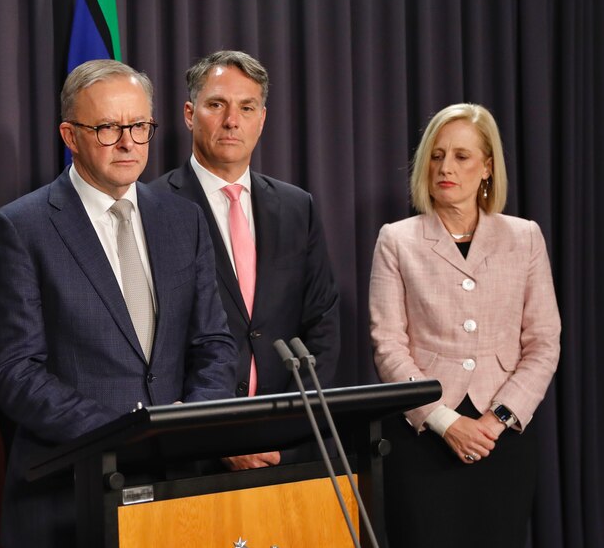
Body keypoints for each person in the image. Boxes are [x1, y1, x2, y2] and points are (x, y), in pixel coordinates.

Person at [0, 59, 238, 548]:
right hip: (70, 492)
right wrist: (127, 434)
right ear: (69, 134)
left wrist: (187, 424)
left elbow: (214, 343)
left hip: (177, 486)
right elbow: (16, 372)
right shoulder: (23, 227)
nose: (128, 143)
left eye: (139, 126)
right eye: (107, 128)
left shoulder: (183, 220)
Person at [369, 103, 560, 547]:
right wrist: (443, 421)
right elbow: (387, 345)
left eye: (461, 156)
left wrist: (495, 421)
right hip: (423, 437)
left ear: (487, 167)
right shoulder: (397, 240)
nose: (445, 168)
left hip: (503, 439)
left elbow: (543, 342)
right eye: (436, 156)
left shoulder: (524, 236)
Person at [151, 50, 340, 470]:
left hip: (286, 449)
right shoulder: (152, 208)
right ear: (188, 113)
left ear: (262, 119)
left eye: (246, 107)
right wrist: (213, 436)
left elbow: (321, 326)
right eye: (217, 104)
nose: (231, 120)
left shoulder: (297, 207)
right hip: (192, 455)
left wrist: (287, 431)